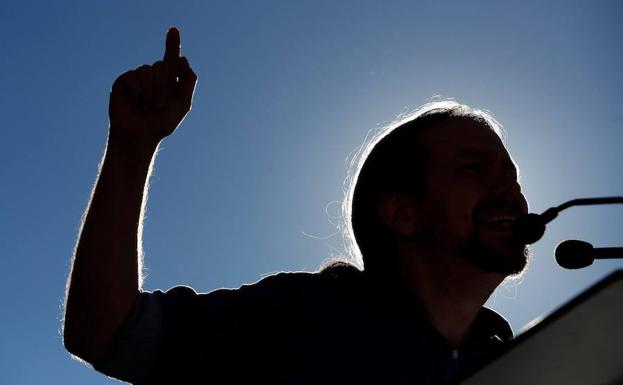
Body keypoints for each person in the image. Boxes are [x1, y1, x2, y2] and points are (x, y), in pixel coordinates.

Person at [63, 27, 529, 385]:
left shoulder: (519, 359)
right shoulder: (300, 321)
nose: (510, 190)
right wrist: (132, 145)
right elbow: (107, 332)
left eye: (512, 176)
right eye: (473, 169)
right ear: (402, 213)